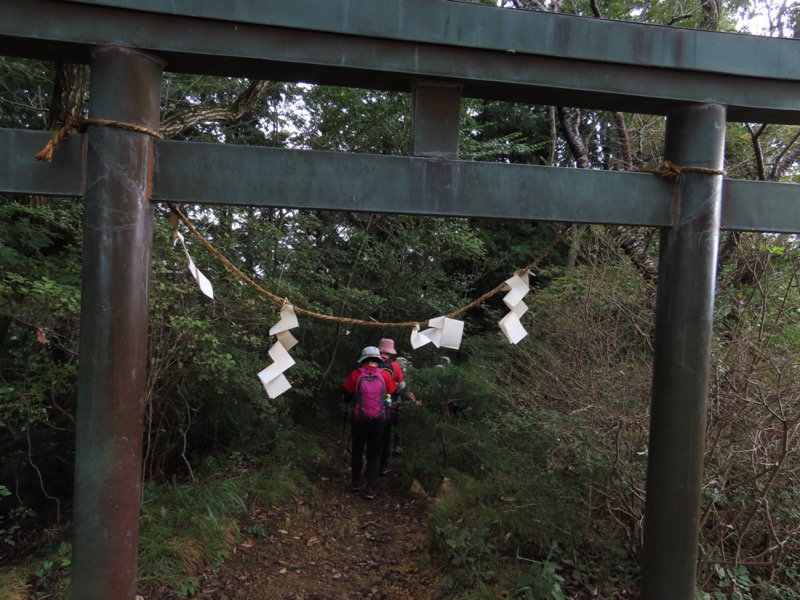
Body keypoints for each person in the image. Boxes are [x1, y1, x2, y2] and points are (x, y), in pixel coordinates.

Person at [342, 346, 397, 500]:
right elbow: (393, 393)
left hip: (359, 419)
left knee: (358, 450)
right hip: (379, 420)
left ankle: (355, 483)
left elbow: (346, 396)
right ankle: (371, 488)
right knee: (375, 452)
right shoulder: (385, 375)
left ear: (364, 359)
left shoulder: (356, 374)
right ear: (377, 359)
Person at [376, 338, 405, 475]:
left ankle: (371, 464)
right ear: (391, 353)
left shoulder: (370, 362)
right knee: (386, 436)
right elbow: (402, 385)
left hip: (370, 407)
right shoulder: (395, 366)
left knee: (374, 436)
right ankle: (384, 466)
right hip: (389, 406)